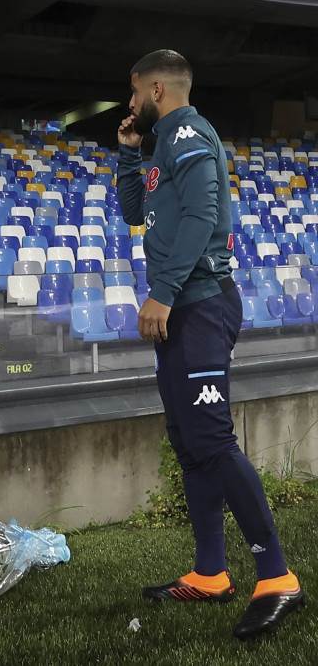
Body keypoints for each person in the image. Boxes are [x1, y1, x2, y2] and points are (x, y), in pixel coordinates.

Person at [117, 49, 305, 639]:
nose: (128, 105)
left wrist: (165, 293)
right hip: (183, 308)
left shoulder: (191, 133)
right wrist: (128, 155)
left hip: (198, 306)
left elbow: (203, 215)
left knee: (213, 441)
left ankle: (277, 578)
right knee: (189, 441)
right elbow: (134, 213)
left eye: (132, 95)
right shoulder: (160, 143)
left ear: (155, 88)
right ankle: (211, 573)